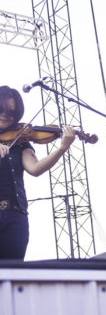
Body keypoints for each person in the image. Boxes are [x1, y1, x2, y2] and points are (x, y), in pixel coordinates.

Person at [0, 85, 76, 260]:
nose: (6, 115)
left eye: (12, 112)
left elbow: (35, 168)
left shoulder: (20, 141)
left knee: (13, 276)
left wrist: (62, 148)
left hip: (15, 216)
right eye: (2, 109)